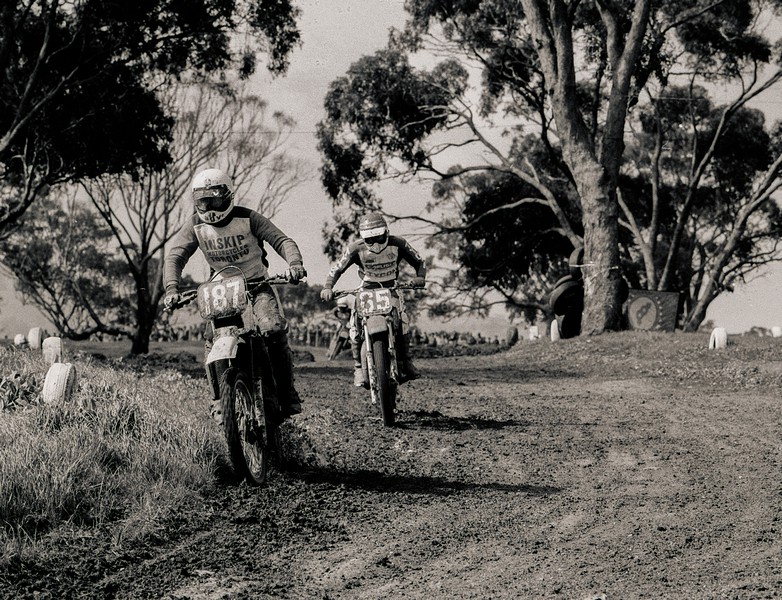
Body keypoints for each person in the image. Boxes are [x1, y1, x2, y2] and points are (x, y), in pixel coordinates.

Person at [163, 168, 307, 416]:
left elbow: (282, 240)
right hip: (221, 288)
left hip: (256, 284)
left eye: (215, 200)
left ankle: (287, 393)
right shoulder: (195, 224)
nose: (209, 207)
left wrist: (294, 264)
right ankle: (219, 401)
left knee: (273, 328)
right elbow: (175, 256)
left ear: (228, 195)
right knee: (212, 339)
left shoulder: (248, 218)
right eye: (203, 201)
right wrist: (171, 288)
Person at [320, 211, 426, 387]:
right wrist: (327, 287)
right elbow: (337, 269)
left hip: (391, 288)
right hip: (367, 289)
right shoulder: (355, 248)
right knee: (354, 325)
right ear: (363, 238)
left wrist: (420, 277)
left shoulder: (398, 243)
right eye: (370, 239)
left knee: (403, 320)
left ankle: (406, 361)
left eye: (379, 237)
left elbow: (419, 261)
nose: (375, 243)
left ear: (386, 232)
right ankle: (358, 367)